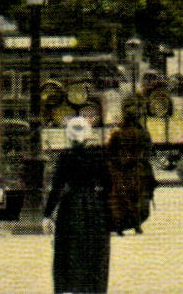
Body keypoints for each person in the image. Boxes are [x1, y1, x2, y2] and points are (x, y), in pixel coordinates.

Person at [44, 116, 111, 293]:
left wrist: (47, 214)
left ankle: (71, 286)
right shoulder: (98, 155)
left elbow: (56, 188)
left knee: (70, 249)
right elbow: (108, 184)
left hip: (70, 206)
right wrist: (102, 204)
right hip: (93, 207)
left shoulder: (65, 157)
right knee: (93, 250)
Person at [105, 110, 156, 235]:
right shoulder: (143, 134)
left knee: (122, 199)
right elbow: (150, 151)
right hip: (140, 170)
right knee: (138, 198)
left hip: (121, 171)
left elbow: (109, 152)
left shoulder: (117, 134)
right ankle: (137, 224)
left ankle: (120, 226)